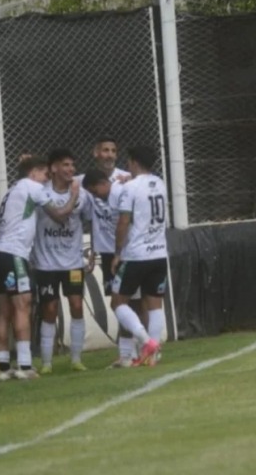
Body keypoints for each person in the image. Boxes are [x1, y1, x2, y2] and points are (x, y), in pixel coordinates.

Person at [0, 155, 80, 381]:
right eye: (44, 175)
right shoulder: (32, 187)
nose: (46, 180)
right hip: (13, 254)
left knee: (4, 310)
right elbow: (59, 215)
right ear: (33, 173)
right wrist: (74, 195)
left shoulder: (12, 190)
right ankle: (25, 365)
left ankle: (2, 367)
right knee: (23, 305)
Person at [82, 136, 146, 368]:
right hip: (109, 253)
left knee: (132, 303)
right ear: (95, 153)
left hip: (129, 251)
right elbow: (88, 214)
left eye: (113, 150)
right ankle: (129, 354)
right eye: (105, 150)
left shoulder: (126, 179)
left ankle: (139, 350)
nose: (109, 154)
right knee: (120, 303)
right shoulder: (84, 181)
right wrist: (93, 250)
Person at [32, 148, 91, 374]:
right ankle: (47, 363)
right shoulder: (41, 193)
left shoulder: (82, 195)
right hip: (46, 263)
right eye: (65, 165)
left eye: (73, 166)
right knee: (50, 308)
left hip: (73, 262)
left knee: (77, 305)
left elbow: (89, 219)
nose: (71, 170)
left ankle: (76, 359)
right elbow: (60, 214)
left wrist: (92, 250)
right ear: (54, 168)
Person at [110, 145, 168, 366]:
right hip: (159, 253)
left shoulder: (130, 188)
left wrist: (117, 253)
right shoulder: (160, 184)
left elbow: (123, 221)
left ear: (133, 162)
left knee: (117, 302)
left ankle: (146, 342)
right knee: (154, 304)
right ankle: (154, 354)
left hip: (136, 254)